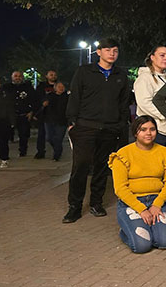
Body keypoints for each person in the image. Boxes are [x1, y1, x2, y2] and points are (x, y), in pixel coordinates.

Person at [63, 38, 130, 224]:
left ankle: (96, 202)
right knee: (80, 166)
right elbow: (75, 96)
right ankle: (74, 206)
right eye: (108, 50)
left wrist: (121, 125)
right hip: (85, 126)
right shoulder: (85, 71)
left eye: (115, 50)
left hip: (110, 128)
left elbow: (124, 103)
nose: (112, 53)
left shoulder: (121, 75)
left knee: (102, 167)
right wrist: (71, 122)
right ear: (99, 52)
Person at [108, 116, 166, 253]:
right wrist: (141, 209)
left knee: (165, 242)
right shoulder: (123, 154)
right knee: (142, 246)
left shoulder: (164, 152)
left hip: (156, 201)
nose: (148, 133)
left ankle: (145, 227)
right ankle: (126, 231)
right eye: (143, 130)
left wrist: (157, 204)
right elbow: (120, 188)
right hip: (132, 203)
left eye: (152, 129)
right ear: (135, 132)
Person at [134, 45, 166, 146]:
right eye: (162, 55)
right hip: (151, 129)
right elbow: (145, 103)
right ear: (152, 57)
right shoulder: (144, 78)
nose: (165, 59)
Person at [4, 71, 36, 157]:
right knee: (5, 135)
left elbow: (33, 99)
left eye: (19, 76)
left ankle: (23, 151)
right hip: (10, 115)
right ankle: (2, 152)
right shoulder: (6, 87)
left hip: (24, 114)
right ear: (12, 77)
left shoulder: (27, 87)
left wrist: (31, 111)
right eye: (15, 76)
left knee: (23, 135)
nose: (17, 78)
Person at [0, 76, 15, 168]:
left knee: (3, 141)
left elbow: (10, 109)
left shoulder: (3, 95)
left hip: (1, 121)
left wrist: (12, 122)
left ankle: (4, 159)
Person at [35, 69, 58, 159]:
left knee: (53, 135)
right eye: (51, 75)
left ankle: (57, 150)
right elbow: (37, 98)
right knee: (41, 134)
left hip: (55, 114)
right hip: (44, 114)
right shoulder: (42, 86)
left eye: (54, 75)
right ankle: (40, 151)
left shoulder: (59, 85)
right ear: (47, 76)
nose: (53, 76)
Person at [43, 81, 69, 161]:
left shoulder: (67, 97)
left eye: (62, 87)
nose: (61, 88)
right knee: (49, 137)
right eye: (59, 87)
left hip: (62, 121)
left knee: (58, 138)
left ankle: (57, 154)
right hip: (50, 120)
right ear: (55, 88)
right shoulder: (50, 96)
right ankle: (57, 148)